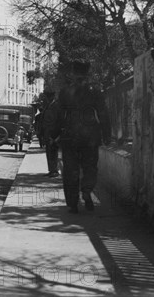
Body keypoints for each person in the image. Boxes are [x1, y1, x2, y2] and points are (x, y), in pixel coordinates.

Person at [51, 61, 111, 213]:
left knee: (70, 170)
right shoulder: (95, 91)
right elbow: (103, 114)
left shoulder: (65, 91)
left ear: (73, 73)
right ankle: (86, 189)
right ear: (88, 73)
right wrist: (107, 134)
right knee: (90, 167)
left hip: (70, 135)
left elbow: (59, 116)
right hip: (90, 135)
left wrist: (54, 134)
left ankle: (72, 203)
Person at [42, 90, 60, 178]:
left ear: (52, 97)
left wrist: (55, 136)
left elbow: (56, 121)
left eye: (48, 97)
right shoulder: (48, 106)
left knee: (53, 152)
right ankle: (51, 170)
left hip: (53, 133)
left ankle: (55, 170)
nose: (47, 99)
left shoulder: (56, 106)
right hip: (47, 132)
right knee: (49, 152)